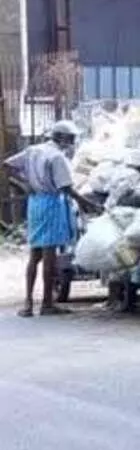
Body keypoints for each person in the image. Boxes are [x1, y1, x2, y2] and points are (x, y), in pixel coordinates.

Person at [5, 121, 97, 317]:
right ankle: (47, 303)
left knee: (34, 255)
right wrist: (86, 203)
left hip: (35, 203)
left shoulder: (33, 150)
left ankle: (28, 303)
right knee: (49, 256)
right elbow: (66, 188)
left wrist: (24, 184)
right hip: (52, 204)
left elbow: (7, 165)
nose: (72, 143)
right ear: (62, 138)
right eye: (70, 139)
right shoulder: (57, 157)